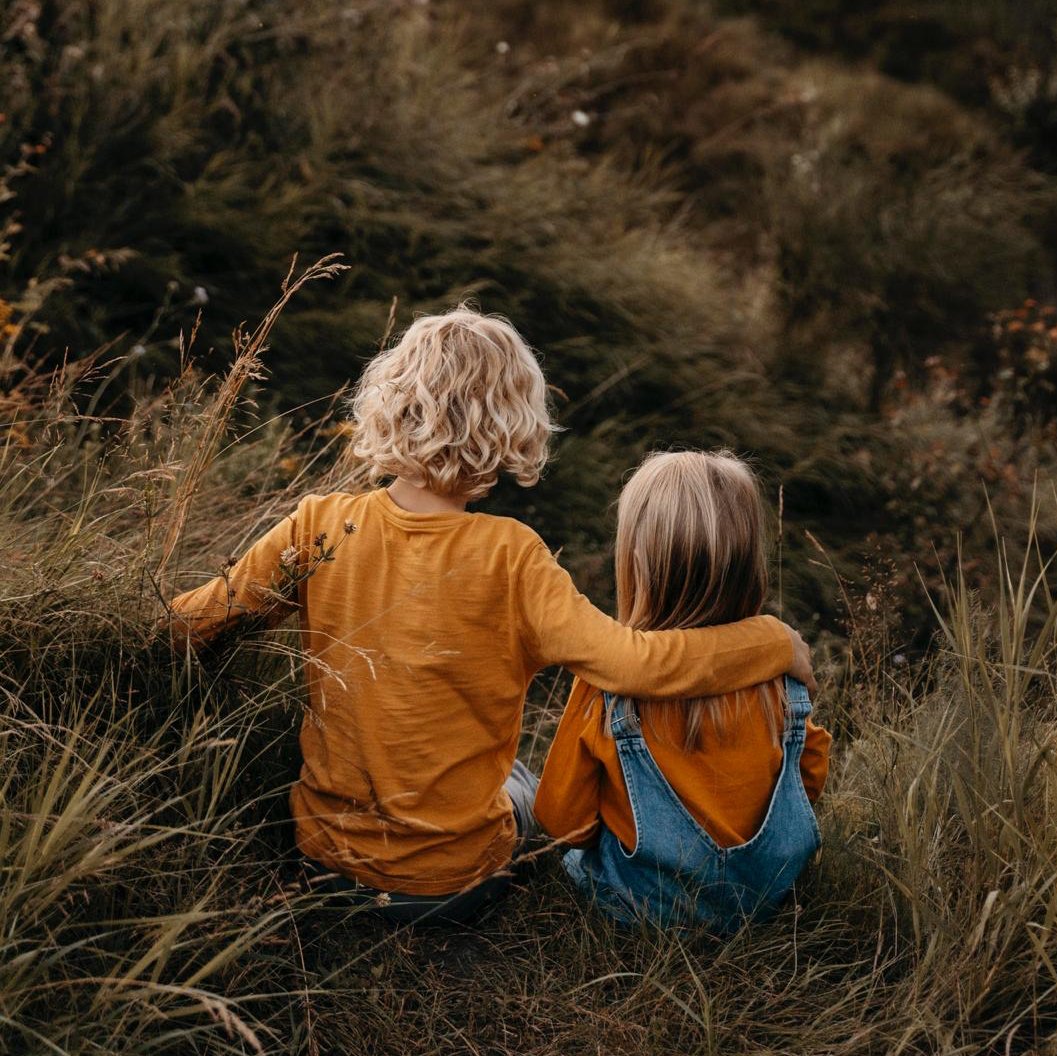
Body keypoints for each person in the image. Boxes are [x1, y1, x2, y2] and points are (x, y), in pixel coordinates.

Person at [169, 308, 816, 923]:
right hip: (452, 882)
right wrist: (772, 641)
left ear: (389, 403)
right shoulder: (513, 557)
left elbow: (194, 621)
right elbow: (637, 664)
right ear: (511, 423)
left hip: (324, 863)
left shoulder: (316, 525)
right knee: (525, 786)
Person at [535, 450, 831, 931]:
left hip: (639, 908)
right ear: (747, 562)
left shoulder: (606, 686)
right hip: (763, 899)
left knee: (572, 858)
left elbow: (563, 820)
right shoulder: (779, 672)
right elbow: (808, 778)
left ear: (637, 562)